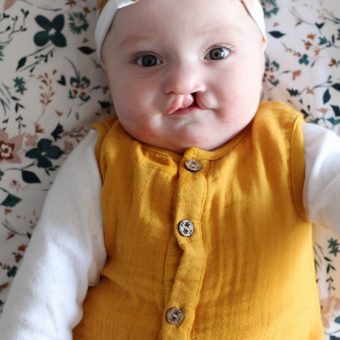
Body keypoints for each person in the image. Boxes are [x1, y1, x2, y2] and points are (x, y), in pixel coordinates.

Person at [0, 0, 339, 338]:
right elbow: (49, 284)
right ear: (107, 70)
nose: (184, 81)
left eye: (217, 53)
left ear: (260, 54)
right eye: (148, 60)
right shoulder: (103, 162)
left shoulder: (293, 149)